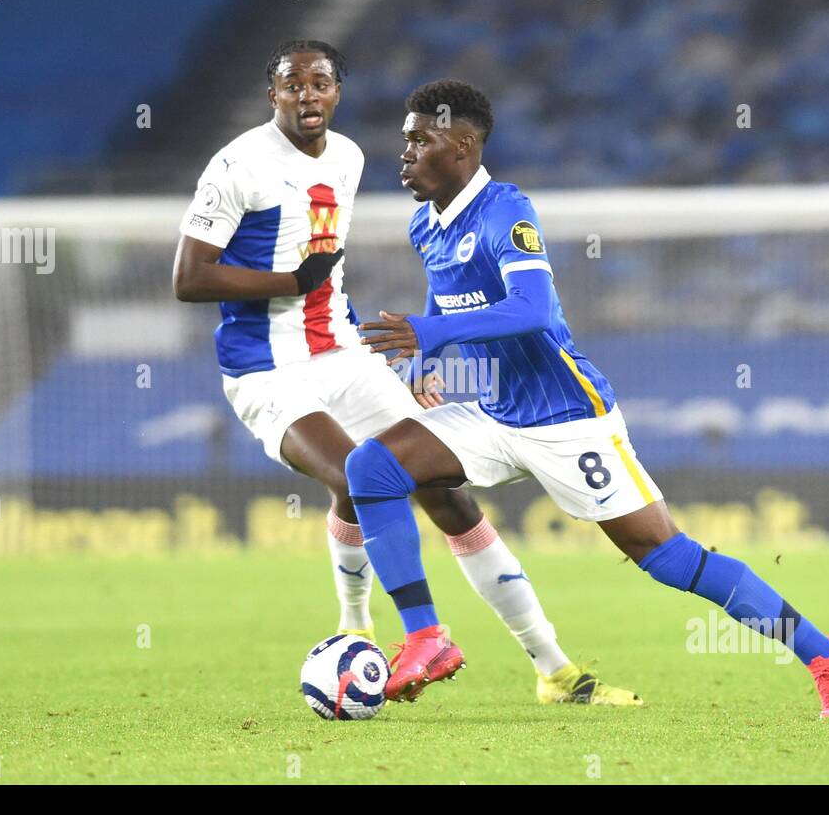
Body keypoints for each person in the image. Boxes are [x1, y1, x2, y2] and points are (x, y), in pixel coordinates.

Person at [347, 78, 829, 716]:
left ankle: (826, 656)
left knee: (667, 556)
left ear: (462, 146)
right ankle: (425, 638)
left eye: (418, 140)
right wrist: (424, 356)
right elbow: (445, 296)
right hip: (492, 411)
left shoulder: (507, 212)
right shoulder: (427, 224)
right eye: (404, 141)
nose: (403, 154)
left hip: (567, 417)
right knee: (371, 465)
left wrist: (430, 331)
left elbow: (533, 310)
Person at [172, 42, 638, 706]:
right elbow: (189, 278)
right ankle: (373, 628)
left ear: (338, 92)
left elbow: (326, 270)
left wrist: (397, 354)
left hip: (342, 352)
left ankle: (555, 670)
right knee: (359, 474)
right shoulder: (236, 167)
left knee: (449, 496)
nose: (307, 95)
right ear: (270, 94)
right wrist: (287, 283)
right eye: (291, 84)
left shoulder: (350, 158)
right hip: (266, 368)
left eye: (321, 83)